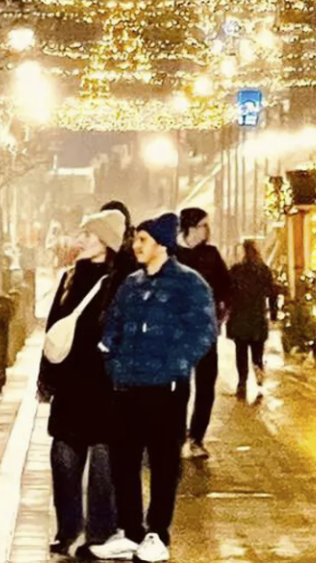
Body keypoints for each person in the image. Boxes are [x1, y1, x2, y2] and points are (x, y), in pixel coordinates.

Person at [91, 214, 216, 563]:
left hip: (166, 389)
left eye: (142, 240)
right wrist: (111, 356)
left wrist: (176, 364)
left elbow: (203, 331)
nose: (136, 246)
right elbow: (113, 323)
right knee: (124, 461)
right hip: (127, 385)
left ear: (161, 244)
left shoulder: (189, 284)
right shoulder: (131, 284)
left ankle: (156, 534)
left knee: (163, 463)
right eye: (135, 240)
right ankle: (130, 531)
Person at [38, 209, 127, 558]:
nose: (81, 240)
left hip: (107, 386)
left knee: (104, 465)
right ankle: (68, 529)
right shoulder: (70, 277)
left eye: (89, 236)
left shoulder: (121, 281)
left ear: (106, 242)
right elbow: (53, 329)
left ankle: (100, 533)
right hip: (71, 386)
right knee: (63, 459)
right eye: (83, 234)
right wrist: (47, 378)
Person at [174, 207, 231, 460]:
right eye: (203, 225)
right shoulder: (172, 255)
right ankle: (175, 436)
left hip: (205, 331)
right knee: (179, 387)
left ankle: (197, 437)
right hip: (177, 334)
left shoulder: (211, 255)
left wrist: (222, 311)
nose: (207, 231)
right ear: (191, 227)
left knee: (206, 386)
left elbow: (227, 287)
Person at [226, 239, 278, 401]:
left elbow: (228, 292)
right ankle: (259, 378)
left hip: (240, 317)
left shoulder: (236, 271)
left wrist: (226, 309)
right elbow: (272, 292)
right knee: (257, 353)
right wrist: (274, 313)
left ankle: (242, 382)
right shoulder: (263, 271)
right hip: (256, 317)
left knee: (241, 353)